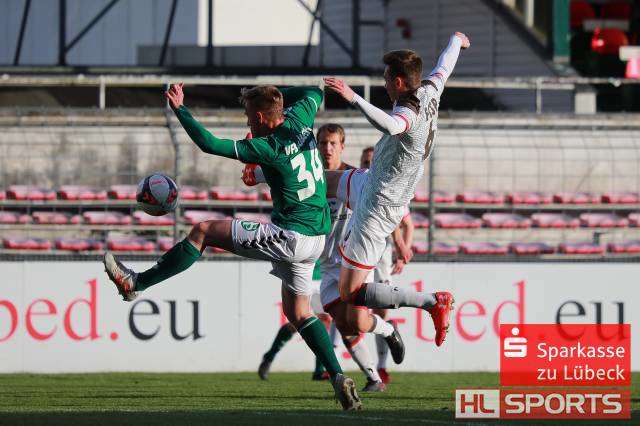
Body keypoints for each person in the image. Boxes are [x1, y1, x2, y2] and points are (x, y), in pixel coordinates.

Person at [103, 83, 362, 411]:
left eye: (248, 116)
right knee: (299, 312)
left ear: (260, 118)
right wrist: (277, 98)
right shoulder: (301, 118)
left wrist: (180, 109)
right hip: (316, 239)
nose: (247, 122)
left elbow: (208, 143)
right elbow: (314, 90)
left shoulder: (269, 146)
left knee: (203, 231)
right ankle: (338, 377)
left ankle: (135, 283)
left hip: (291, 236)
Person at [322, 32, 470, 347]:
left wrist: (352, 96)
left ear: (400, 82)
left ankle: (432, 302)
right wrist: (456, 42)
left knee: (349, 292)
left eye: (387, 79)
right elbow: (444, 67)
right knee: (320, 181)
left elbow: (393, 125)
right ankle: (260, 171)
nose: (385, 84)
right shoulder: (429, 89)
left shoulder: (407, 114)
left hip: (377, 208)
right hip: (370, 182)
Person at [245, 124, 402, 392]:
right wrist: (256, 170)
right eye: (322, 143)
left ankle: (389, 331)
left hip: (352, 261)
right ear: (316, 146)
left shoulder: (355, 178)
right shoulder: (309, 176)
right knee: (341, 324)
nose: (327, 148)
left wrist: (399, 241)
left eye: (333, 143)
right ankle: (374, 379)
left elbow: (383, 209)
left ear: (342, 146)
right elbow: (281, 178)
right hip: (326, 263)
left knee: (355, 321)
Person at [360, 146, 415, 384]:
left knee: (379, 311)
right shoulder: (358, 184)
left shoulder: (390, 188)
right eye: (365, 161)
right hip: (357, 254)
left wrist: (401, 253)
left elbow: (407, 224)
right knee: (347, 307)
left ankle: (380, 367)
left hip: (380, 259)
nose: (369, 165)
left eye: (372, 161)